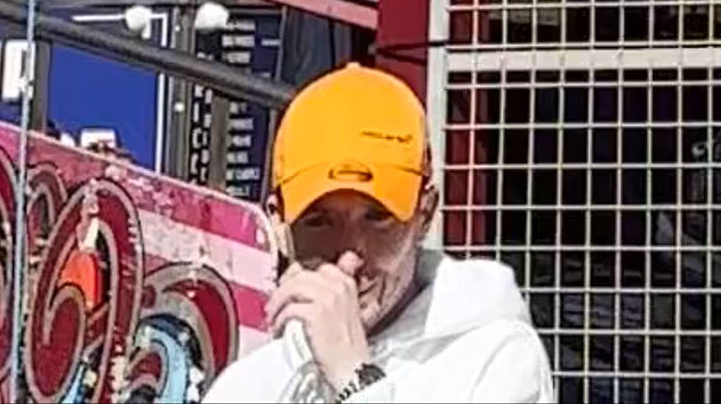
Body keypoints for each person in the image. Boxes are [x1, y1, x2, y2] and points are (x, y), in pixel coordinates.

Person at [210, 71, 552, 404]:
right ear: (279, 225)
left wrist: (356, 381)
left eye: (378, 218)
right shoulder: (250, 383)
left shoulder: (494, 360)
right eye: (319, 221)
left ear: (425, 214)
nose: (348, 257)